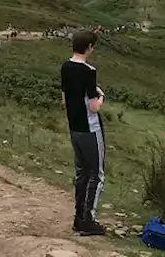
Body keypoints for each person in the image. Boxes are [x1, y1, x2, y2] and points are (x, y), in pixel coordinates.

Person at [60, 29, 105, 236]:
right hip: (90, 128)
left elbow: (64, 99)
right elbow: (94, 107)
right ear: (89, 48)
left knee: (81, 173)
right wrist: (101, 95)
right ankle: (88, 219)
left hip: (74, 127)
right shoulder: (89, 71)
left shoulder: (65, 67)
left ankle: (79, 217)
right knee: (97, 173)